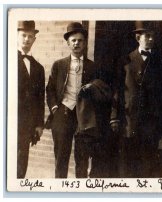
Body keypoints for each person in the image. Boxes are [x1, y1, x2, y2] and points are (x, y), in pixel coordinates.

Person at [110, 21, 162, 177]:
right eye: (147, 36)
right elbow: (117, 90)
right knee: (127, 162)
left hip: (151, 121)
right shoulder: (126, 60)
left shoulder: (161, 62)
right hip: (129, 119)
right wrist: (114, 117)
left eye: (153, 36)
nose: (151, 39)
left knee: (148, 162)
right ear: (138, 38)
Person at [46, 22, 99, 178]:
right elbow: (49, 90)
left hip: (84, 117)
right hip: (63, 114)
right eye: (73, 40)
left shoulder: (92, 66)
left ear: (84, 43)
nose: (77, 43)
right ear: (68, 43)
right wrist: (55, 108)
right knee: (61, 158)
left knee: (82, 160)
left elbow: (98, 91)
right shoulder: (59, 65)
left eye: (80, 40)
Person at [17, 20, 45, 178]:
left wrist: (39, 124)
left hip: (26, 123)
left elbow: (40, 98)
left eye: (30, 36)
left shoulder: (38, 68)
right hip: (8, 121)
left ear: (34, 39)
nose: (26, 39)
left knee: (21, 161)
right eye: (23, 35)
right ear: (16, 36)